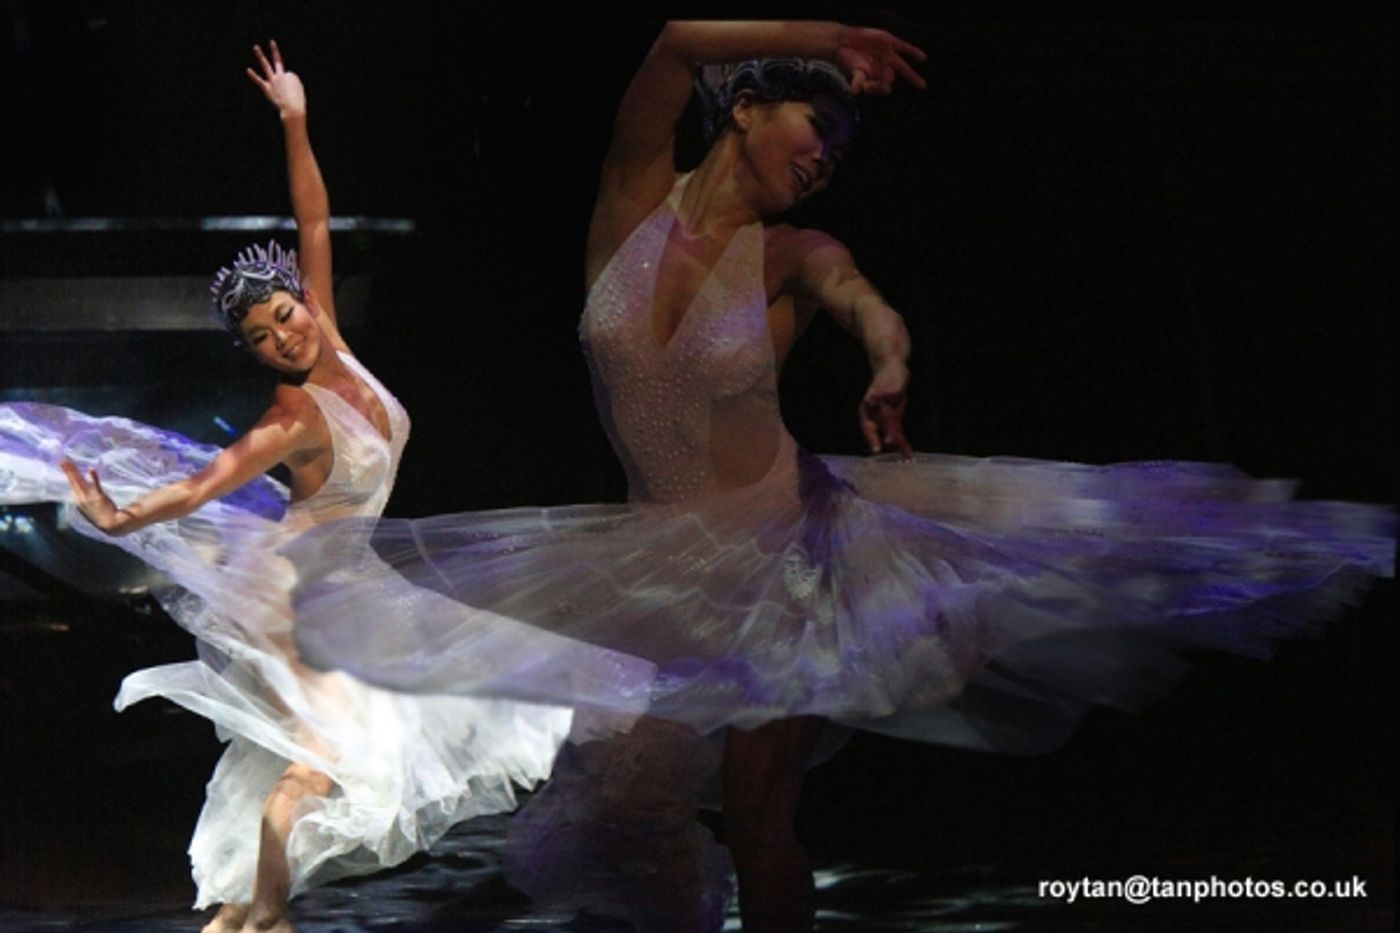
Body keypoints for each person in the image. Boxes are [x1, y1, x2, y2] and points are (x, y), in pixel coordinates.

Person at [282, 20, 1395, 933]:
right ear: (749, 108)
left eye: (839, 149)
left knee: (762, 812)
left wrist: (888, 356)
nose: (824, 157)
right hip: (648, 559)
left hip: (782, 552)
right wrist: (827, 35)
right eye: (817, 127)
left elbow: (864, 297)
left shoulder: (790, 255)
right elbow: (673, 41)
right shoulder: (630, 205)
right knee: (622, 812)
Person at [0, 42, 573, 933]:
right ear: (258, 355)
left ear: (306, 303)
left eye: (288, 312)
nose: (286, 334)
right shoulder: (293, 414)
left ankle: (237, 917)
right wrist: (121, 516)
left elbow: (314, 217)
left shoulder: (335, 342)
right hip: (305, 594)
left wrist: (295, 119)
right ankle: (268, 912)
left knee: (331, 755)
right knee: (324, 761)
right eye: (266, 336)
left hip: (350, 585)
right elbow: (210, 481)